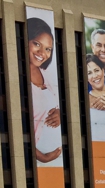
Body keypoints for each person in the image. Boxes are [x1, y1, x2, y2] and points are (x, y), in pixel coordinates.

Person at [27, 17, 62, 166]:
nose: (42, 53)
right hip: (36, 160)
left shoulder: (47, 74)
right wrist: (41, 157)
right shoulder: (14, 77)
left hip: (56, 160)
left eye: (48, 49)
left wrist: (60, 114)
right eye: (37, 44)